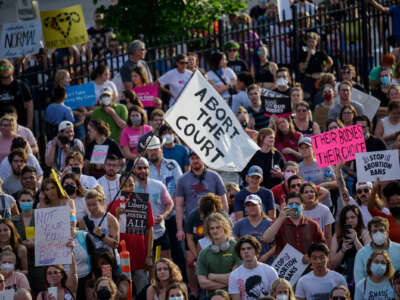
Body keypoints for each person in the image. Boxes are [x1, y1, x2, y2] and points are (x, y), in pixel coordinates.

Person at [108, 172, 154, 295]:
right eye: (124, 185)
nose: (127, 188)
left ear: (135, 186)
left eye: (130, 184)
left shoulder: (144, 204)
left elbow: (150, 229)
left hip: (140, 255)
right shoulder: (112, 205)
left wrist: (149, 255)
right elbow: (109, 234)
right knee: (124, 293)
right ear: (119, 186)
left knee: (142, 291)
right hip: (120, 256)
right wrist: (116, 217)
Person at [175, 150, 228, 241]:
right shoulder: (182, 180)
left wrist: (224, 222)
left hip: (214, 223)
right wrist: (180, 229)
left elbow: (223, 202)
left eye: (198, 157)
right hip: (192, 223)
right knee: (191, 253)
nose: (195, 161)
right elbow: (179, 206)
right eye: (192, 158)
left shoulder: (214, 176)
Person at [263, 192, 326, 260]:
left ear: (303, 206)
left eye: (297, 204)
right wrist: (280, 219)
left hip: (308, 267)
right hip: (286, 267)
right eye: (290, 204)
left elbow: (322, 246)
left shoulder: (313, 225)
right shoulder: (279, 223)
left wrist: (310, 255)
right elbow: (266, 239)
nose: (294, 206)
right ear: (286, 206)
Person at [134, 157, 174, 259]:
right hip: (140, 237)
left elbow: (170, 204)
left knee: (163, 264)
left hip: (159, 234)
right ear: (134, 169)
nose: (143, 171)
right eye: (139, 168)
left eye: (145, 168)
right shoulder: (130, 188)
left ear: (149, 169)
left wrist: (163, 216)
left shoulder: (158, 185)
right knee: (146, 268)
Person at [196, 212, 241, 296]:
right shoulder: (203, 253)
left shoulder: (237, 248)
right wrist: (227, 282)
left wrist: (212, 276)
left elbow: (238, 278)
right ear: (208, 231)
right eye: (212, 228)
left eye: (218, 227)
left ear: (224, 228)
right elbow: (203, 283)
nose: (215, 231)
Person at [330, 205, 370, 293]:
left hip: (361, 276)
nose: (350, 220)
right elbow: (332, 264)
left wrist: (355, 240)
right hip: (343, 277)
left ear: (358, 218)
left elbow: (368, 258)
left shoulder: (365, 233)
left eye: (353, 217)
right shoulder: (337, 235)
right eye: (347, 218)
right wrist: (342, 250)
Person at [228, 235, 278, 300]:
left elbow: (276, 296)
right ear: (239, 253)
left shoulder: (270, 271)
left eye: (249, 248)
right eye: (243, 249)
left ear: (256, 250)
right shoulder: (234, 275)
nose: (246, 251)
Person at [353, 216, 400, 284]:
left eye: (381, 230)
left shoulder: (398, 250)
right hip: (371, 293)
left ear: (387, 232)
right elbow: (359, 282)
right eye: (375, 231)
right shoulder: (361, 254)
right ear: (370, 234)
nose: (378, 233)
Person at [298, 137, 337, 209]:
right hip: (307, 206)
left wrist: (324, 184)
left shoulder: (323, 164)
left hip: (325, 205)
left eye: (307, 147)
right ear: (299, 150)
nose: (304, 149)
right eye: (302, 148)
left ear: (313, 149)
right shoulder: (297, 168)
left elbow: (335, 183)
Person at [233, 195, 274, 264]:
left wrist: (266, 256)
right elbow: (235, 244)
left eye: (254, 205)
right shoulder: (239, 224)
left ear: (260, 205)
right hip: (247, 264)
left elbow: (277, 244)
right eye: (248, 206)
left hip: (267, 263)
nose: (251, 208)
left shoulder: (270, 223)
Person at [79, 189, 119, 253]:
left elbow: (115, 244)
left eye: (94, 204)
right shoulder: (83, 221)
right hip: (92, 258)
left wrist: (101, 235)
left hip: (109, 257)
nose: (91, 208)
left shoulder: (111, 219)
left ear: (101, 202)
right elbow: (81, 244)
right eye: (88, 205)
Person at [0, 59, 33, 129]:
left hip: (20, 126)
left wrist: (29, 123)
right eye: (1, 67)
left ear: (11, 68)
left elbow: (29, 104)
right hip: (2, 128)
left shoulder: (21, 85)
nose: (4, 69)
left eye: (6, 67)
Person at [299, 32, 333, 99]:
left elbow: (330, 62)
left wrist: (324, 70)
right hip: (309, 79)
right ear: (306, 42)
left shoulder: (321, 52)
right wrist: (308, 57)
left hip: (320, 79)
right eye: (309, 41)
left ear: (316, 42)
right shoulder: (303, 54)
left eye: (313, 41)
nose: (311, 43)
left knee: (321, 96)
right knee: (307, 97)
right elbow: (302, 70)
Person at [300, 182, 335, 247]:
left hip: (320, 247)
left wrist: (329, 253)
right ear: (301, 195)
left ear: (316, 194)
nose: (310, 194)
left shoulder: (324, 210)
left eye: (312, 192)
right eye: (306, 192)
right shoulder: (298, 211)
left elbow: (328, 236)